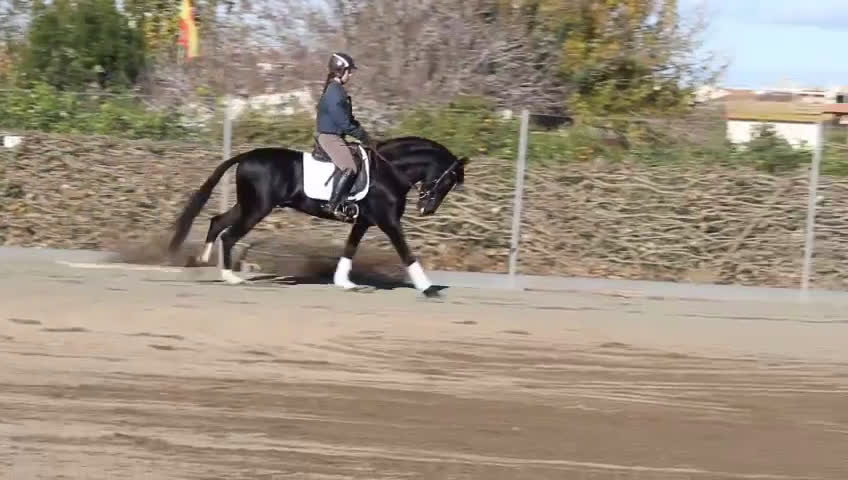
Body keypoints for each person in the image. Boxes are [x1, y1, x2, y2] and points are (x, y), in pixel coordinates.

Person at [315, 52, 373, 220]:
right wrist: (365, 137)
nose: (351, 74)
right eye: (349, 71)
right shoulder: (335, 91)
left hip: (335, 135)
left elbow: (348, 119)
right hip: (330, 137)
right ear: (340, 71)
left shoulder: (336, 90)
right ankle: (332, 205)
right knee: (350, 168)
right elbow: (344, 123)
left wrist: (363, 132)